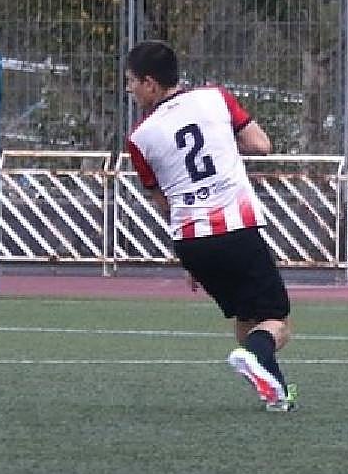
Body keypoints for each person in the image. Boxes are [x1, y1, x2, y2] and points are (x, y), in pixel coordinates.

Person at [124, 40, 296, 412]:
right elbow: (261, 145)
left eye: (131, 81)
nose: (129, 89)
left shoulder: (138, 138)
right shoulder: (215, 97)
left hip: (190, 240)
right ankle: (254, 357)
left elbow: (162, 200)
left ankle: (276, 392)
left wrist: (193, 262)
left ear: (150, 83)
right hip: (236, 228)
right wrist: (224, 143)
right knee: (276, 321)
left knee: (246, 316)